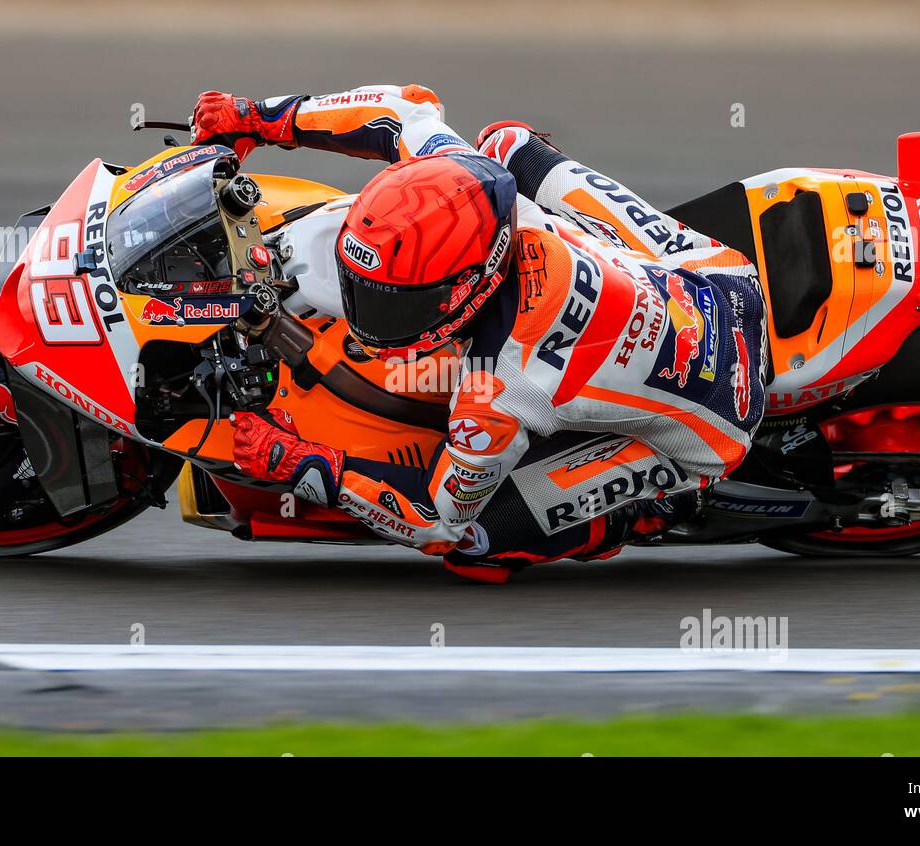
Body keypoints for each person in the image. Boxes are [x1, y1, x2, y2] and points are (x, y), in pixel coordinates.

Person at [190, 86, 768, 582]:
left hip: (717, 420)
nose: (369, 315)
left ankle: (649, 509)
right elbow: (402, 107)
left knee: (476, 546)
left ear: (470, 286)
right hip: (718, 274)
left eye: (395, 303)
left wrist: (306, 465)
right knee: (506, 146)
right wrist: (259, 116)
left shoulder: (496, 390)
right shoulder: (473, 181)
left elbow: (437, 517)